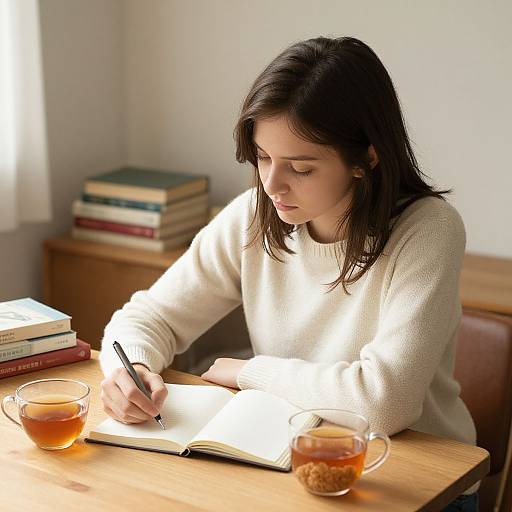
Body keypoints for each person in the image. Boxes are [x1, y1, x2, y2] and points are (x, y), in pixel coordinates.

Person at [98, 36, 479, 509]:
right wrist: (128, 367)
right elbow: (148, 316)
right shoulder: (254, 215)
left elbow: (385, 402)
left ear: (367, 159)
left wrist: (250, 373)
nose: (271, 185)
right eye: (262, 157)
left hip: (412, 475)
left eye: (300, 167)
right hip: (288, 458)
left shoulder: (428, 230)